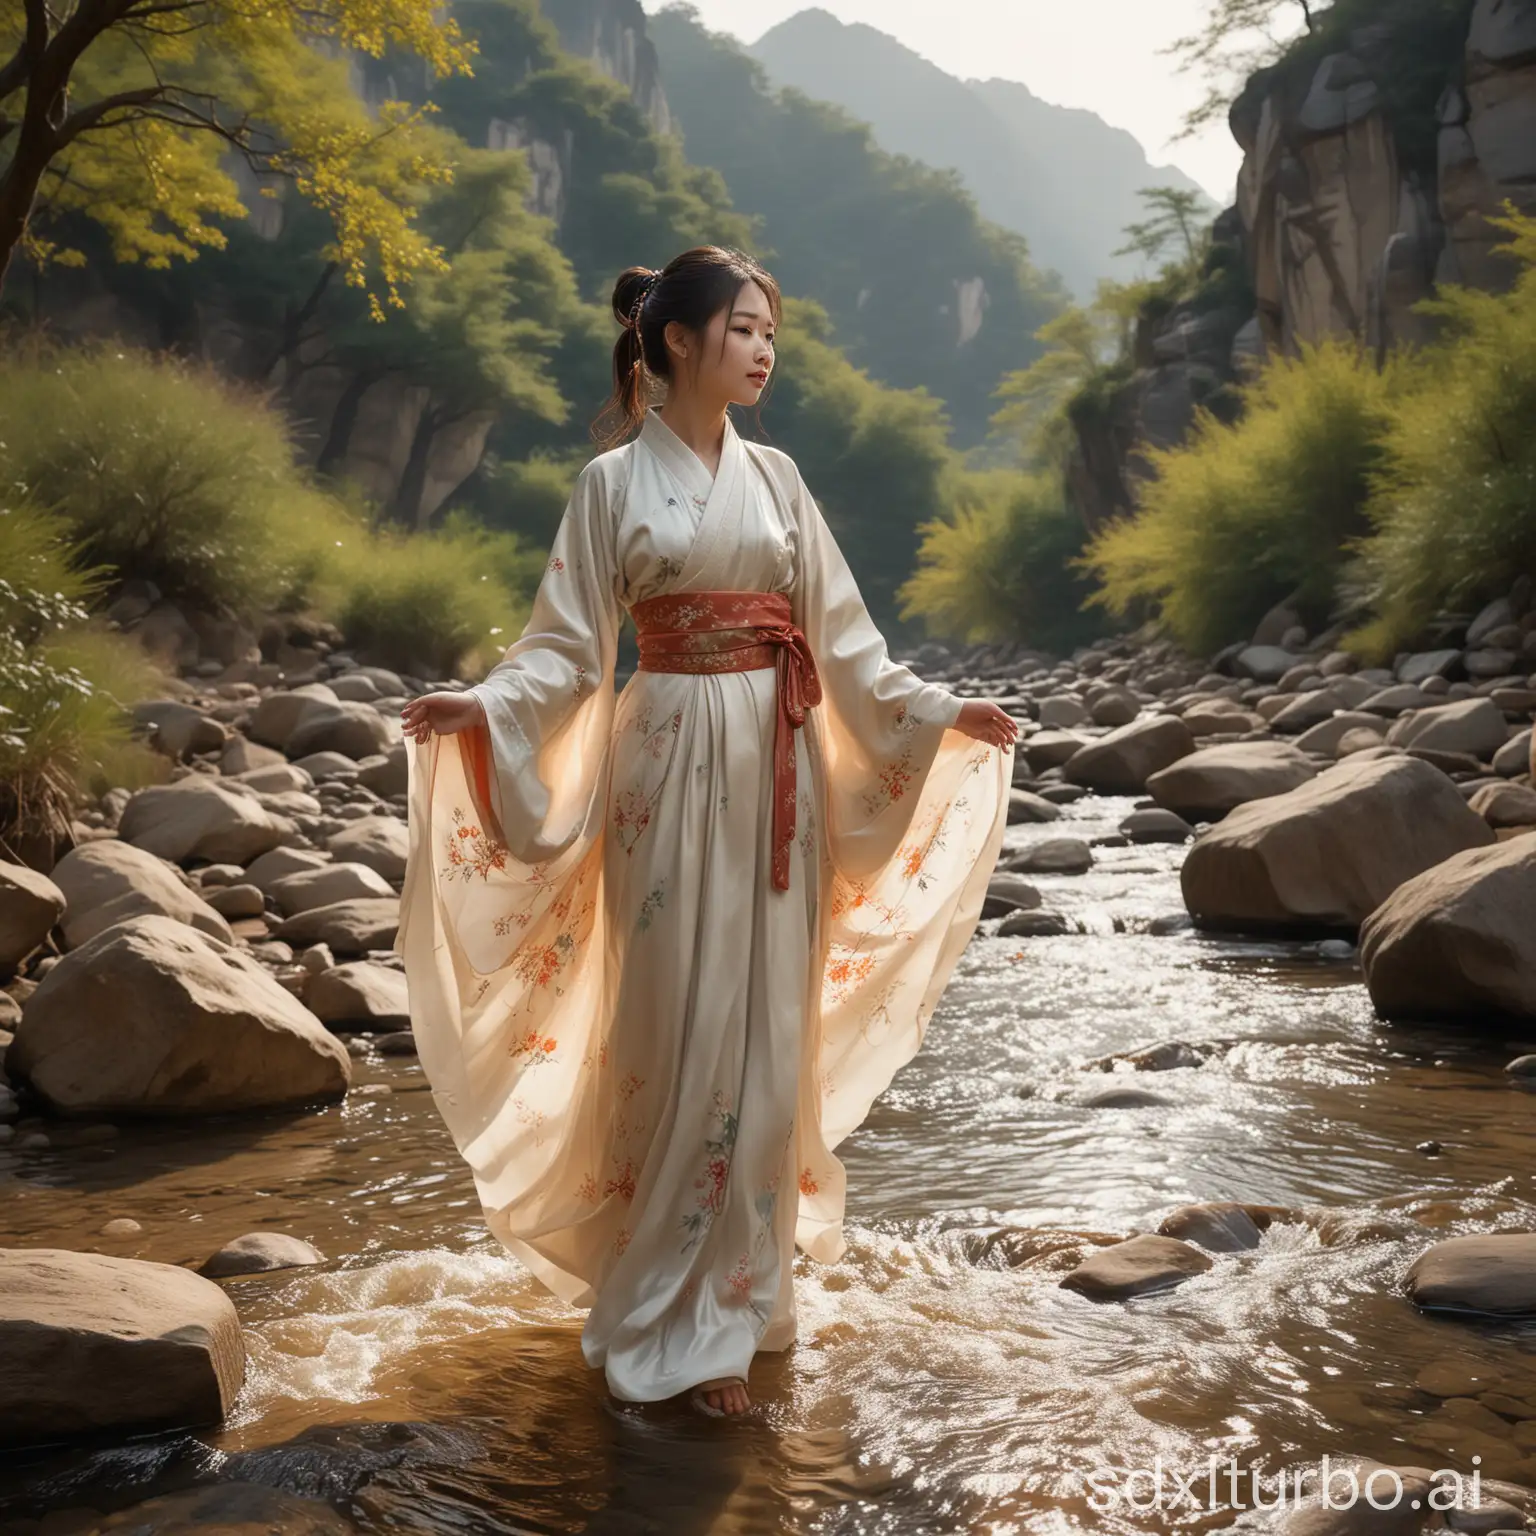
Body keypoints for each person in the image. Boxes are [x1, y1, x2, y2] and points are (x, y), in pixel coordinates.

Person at [397, 245, 1018, 1419]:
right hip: (667, 763)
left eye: (769, 332)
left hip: (779, 763)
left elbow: (845, 643)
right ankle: (664, 1321)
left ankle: (740, 1299)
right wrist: (484, 707)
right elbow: (565, 649)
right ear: (677, 341)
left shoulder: (779, 479)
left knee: (768, 1042)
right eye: (743, 329)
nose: (763, 350)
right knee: (678, 1029)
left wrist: (938, 714)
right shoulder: (610, 487)